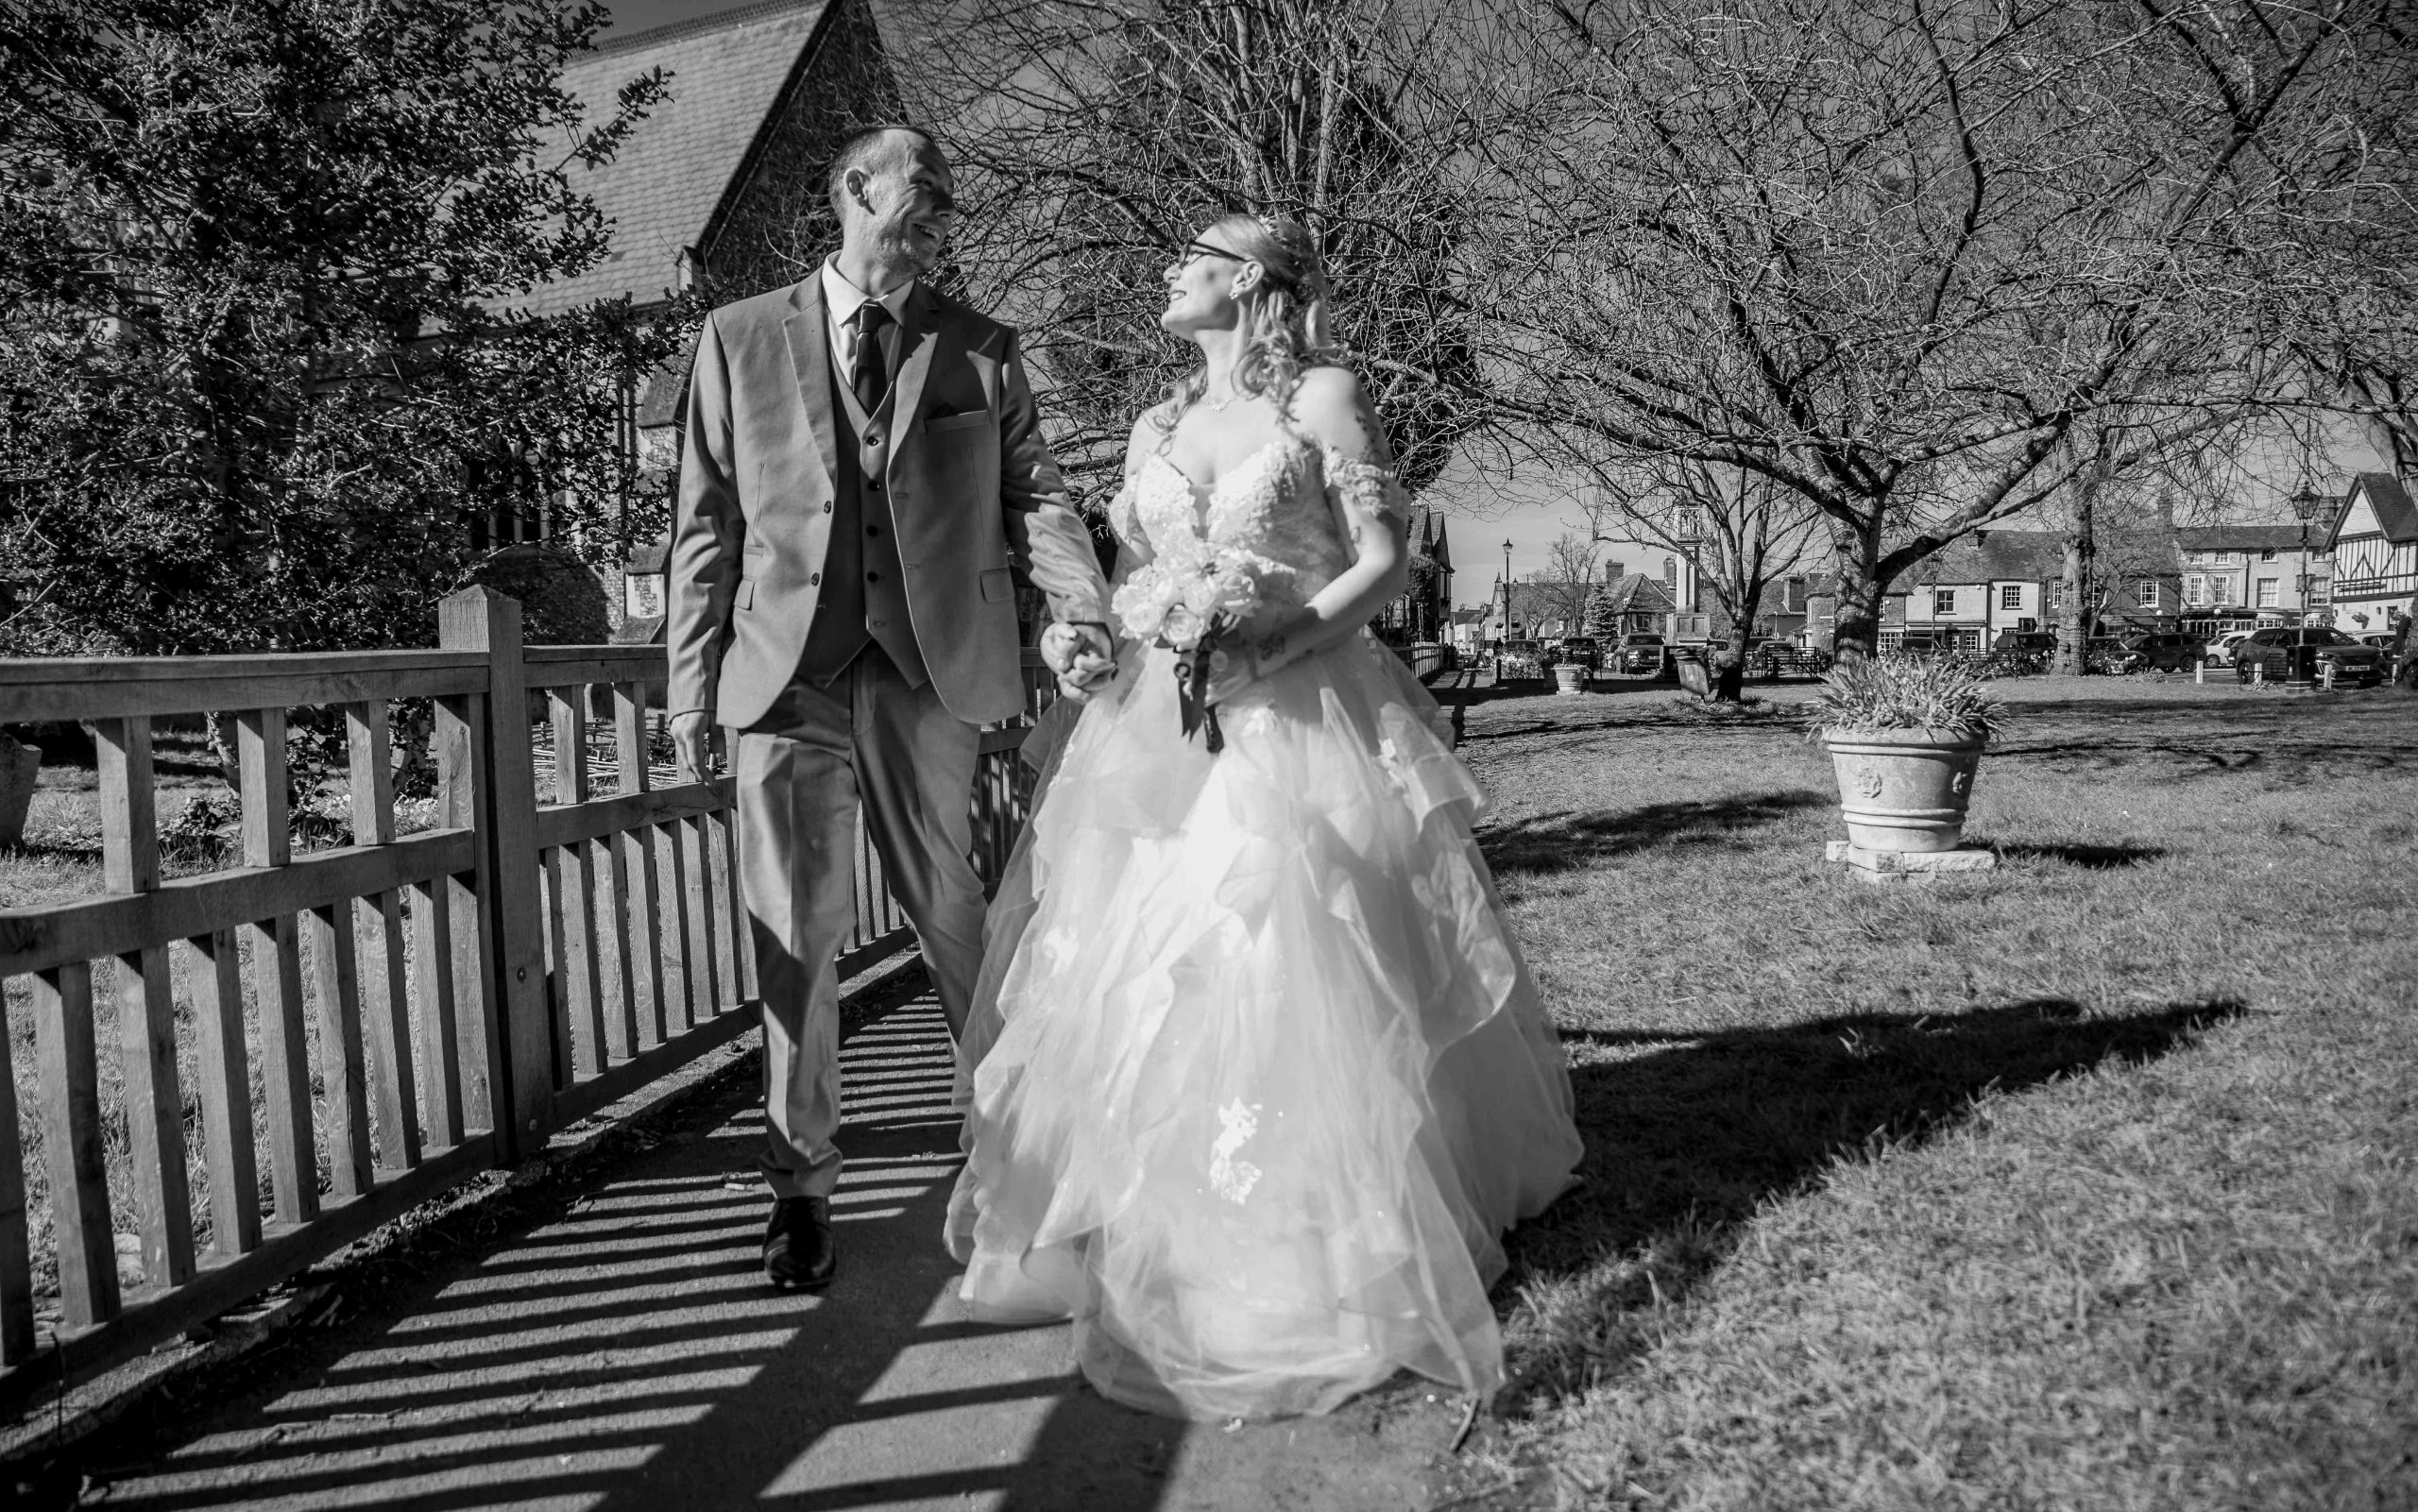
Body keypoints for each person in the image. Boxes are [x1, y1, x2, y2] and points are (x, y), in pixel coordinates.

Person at [945, 212, 1584, 1420]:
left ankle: (1307, 1239)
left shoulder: (1320, 398)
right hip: (1153, 727)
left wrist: (1275, 637)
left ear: (1247, 280)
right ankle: (1146, 1222)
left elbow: (1382, 560)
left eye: (1190, 257)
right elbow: (1133, 577)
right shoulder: (1154, 424)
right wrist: (1089, 643)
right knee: (1143, 963)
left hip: (1298, 713)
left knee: (1284, 947)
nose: (1167, 270)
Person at [667, 125, 1115, 1292]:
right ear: (856, 191)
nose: (945, 211)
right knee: (795, 938)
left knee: (957, 915)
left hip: (930, 675)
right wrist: (689, 686)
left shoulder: (980, 347)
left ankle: (1017, 1149)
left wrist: (1084, 607)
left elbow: (1038, 496)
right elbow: (706, 524)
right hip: (784, 680)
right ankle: (800, 1189)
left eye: (951, 200)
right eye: (927, 190)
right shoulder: (737, 336)